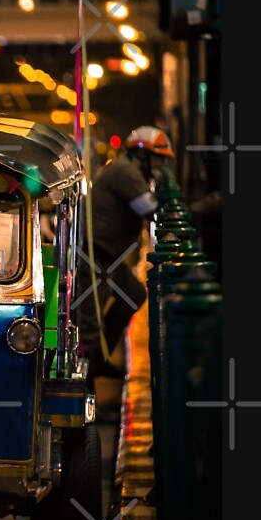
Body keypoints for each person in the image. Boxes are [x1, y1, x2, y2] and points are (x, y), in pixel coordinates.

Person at [76, 125, 175, 420]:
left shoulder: (132, 170)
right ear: (142, 154)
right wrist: (202, 207)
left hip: (110, 259)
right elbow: (151, 209)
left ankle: (102, 355)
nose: (161, 166)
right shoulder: (125, 172)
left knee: (134, 294)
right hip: (95, 255)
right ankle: (88, 407)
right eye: (158, 159)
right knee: (87, 331)